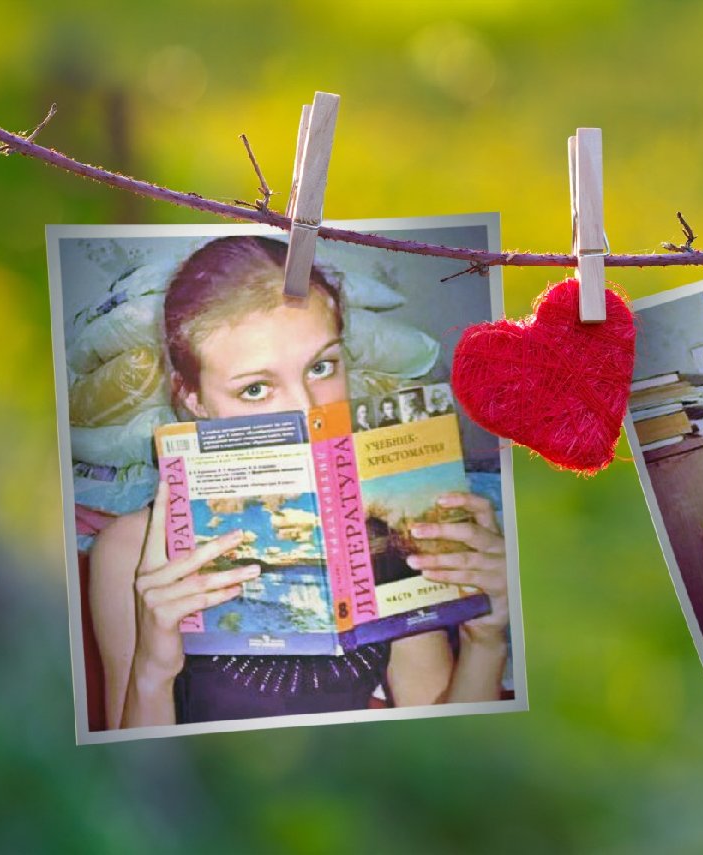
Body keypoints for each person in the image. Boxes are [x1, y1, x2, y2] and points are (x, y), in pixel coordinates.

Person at [89, 236, 510, 729]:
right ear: (195, 399)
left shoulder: (378, 505)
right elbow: (128, 789)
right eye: (255, 389)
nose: (308, 411)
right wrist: (152, 673)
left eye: (321, 367)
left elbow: (445, 752)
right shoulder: (131, 552)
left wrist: (486, 638)